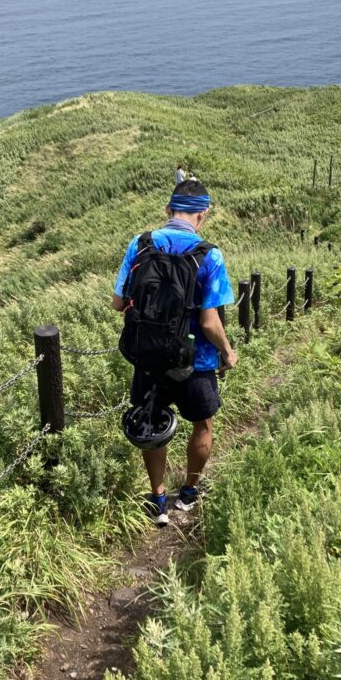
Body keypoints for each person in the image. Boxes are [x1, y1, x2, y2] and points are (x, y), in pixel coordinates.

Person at [112, 179, 237, 525]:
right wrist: (227, 352)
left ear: (168, 210)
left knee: (151, 422)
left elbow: (118, 302)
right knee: (203, 424)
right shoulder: (210, 255)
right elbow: (210, 323)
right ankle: (188, 495)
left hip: (149, 357)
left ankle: (157, 499)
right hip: (196, 361)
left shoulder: (141, 244)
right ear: (204, 214)